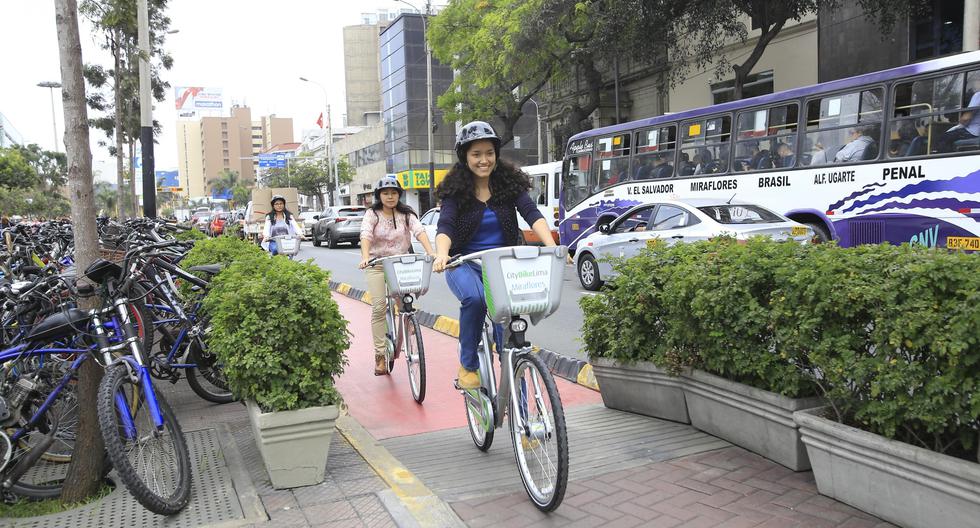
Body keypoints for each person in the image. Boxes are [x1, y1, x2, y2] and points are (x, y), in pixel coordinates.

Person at [432, 121, 557, 390]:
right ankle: (468, 365)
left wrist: (550, 244)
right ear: (465, 157)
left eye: (489, 152)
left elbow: (531, 213)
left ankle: (522, 417)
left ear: (496, 154)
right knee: (475, 299)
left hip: (501, 267)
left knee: (511, 340)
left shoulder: (507, 184)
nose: (483, 160)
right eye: (476, 154)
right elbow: (446, 226)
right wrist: (442, 254)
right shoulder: (455, 190)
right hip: (464, 263)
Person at [357, 176, 435, 375]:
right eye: (385, 193)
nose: (390, 197)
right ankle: (380, 355)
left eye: (394, 193)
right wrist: (366, 257)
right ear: (379, 195)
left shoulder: (407, 214)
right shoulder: (372, 214)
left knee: (405, 302)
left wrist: (430, 251)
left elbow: (419, 231)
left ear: (399, 195)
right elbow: (365, 234)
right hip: (376, 264)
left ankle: (408, 322)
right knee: (379, 307)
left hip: (400, 265)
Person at [936, 81, 980, 152]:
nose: (975, 83)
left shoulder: (978, 95)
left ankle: (946, 161)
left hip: (973, 132)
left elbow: (966, 118)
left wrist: (960, 122)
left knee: (943, 139)